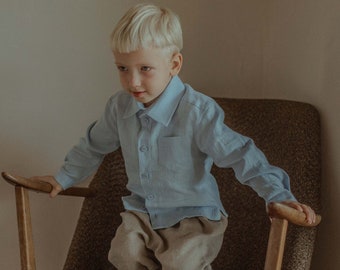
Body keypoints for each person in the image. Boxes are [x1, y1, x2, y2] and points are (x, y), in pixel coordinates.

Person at [32, 3, 316, 269]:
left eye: (145, 69)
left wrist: (278, 195)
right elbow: (93, 146)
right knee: (123, 252)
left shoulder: (197, 112)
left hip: (194, 218)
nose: (133, 81)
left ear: (174, 64)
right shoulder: (119, 108)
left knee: (181, 262)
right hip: (141, 214)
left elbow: (241, 155)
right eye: (122, 68)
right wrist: (63, 177)